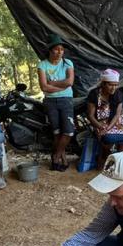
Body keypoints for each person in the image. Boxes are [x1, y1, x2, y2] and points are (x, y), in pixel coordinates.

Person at [37, 34, 74, 171]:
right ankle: (62, 159)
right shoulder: (42, 65)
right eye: (57, 49)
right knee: (57, 132)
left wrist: (53, 83)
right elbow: (44, 87)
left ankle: (56, 157)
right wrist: (62, 86)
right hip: (50, 102)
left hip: (66, 100)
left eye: (62, 49)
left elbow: (70, 82)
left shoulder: (67, 63)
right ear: (50, 50)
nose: (60, 52)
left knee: (68, 132)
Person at [86, 69, 123, 168]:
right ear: (103, 84)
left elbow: (117, 115)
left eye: (115, 85)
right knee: (107, 141)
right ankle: (103, 160)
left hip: (115, 122)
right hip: (98, 122)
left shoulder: (118, 94)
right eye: (110, 85)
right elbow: (90, 116)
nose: (113, 88)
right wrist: (101, 127)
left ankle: (119, 165)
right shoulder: (94, 94)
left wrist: (108, 128)